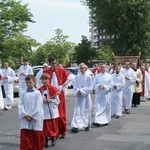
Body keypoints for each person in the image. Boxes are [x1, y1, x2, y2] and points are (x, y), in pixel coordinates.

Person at [44, 57, 73, 138]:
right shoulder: (46, 71)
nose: (54, 65)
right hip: (50, 95)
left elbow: (70, 77)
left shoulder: (60, 70)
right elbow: (41, 80)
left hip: (59, 94)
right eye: (53, 63)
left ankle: (63, 130)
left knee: (61, 114)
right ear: (50, 64)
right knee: (52, 115)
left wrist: (63, 85)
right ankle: (55, 132)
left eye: (55, 63)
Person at [18, 74, 45, 150]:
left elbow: (38, 106)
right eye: (27, 82)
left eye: (30, 82)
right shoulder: (23, 93)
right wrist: (24, 115)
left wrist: (32, 116)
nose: (28, 84)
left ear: (34, 82)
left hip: (34, 119)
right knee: (26, 139)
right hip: (25, 118)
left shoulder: (37, 93)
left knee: (35, 138)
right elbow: (20, 105)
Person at [38, 73, 60, 148]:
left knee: (51, 126)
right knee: (44, 127)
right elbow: (37, 100)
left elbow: (57, 101)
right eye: (43, 79)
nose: (44, 81)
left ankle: (53, 137)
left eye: (46, 79)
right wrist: (42, 101)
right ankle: (46, 140)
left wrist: (51, 101)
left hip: (51, 110)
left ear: (49, 80)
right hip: (44, 111)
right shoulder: (40, 90)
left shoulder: (53, 89)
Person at [71, 63, 93, 133]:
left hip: (86, 97)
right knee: (77, 111)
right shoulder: (77, 77)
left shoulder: (89, 77)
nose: (81, 69)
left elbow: (90, 87)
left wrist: (82, 91)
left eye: (83, 68)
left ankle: (86, 125)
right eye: (80, 68)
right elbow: (75, 86)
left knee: (86, 111)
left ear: (85, 69)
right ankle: (76, 126)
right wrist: (78, 91)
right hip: (79, 97)